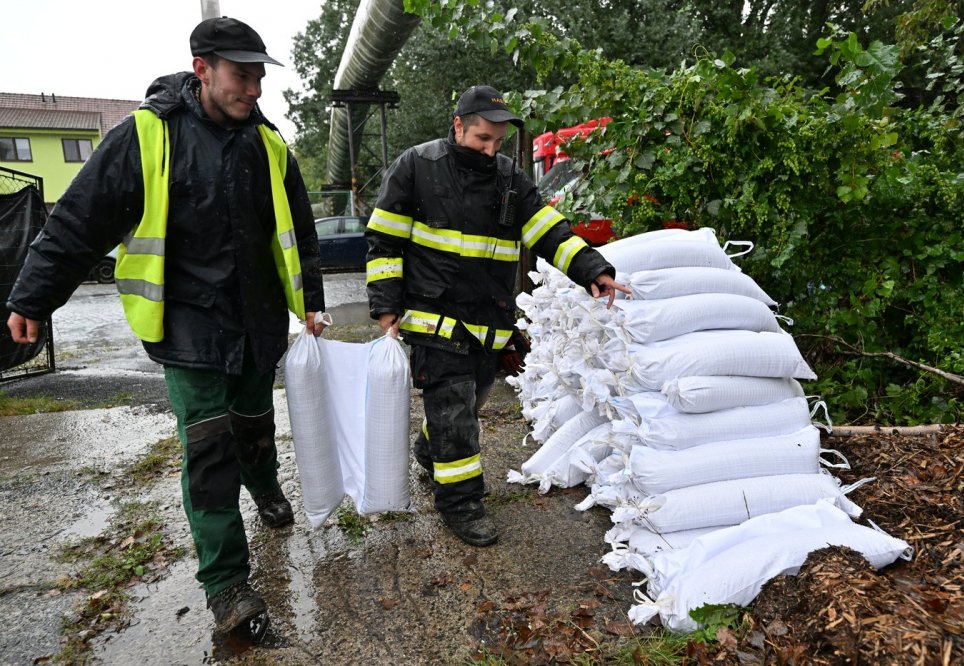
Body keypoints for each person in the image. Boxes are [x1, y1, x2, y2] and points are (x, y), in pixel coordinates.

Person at [5, 17, 326, 636]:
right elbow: (79, 220)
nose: (254, 89)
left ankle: (265, 490)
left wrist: (309, 301)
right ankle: (228, 585)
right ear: (201, 69)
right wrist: (34, 297)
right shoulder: (147, 135)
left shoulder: (270, 144)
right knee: (209, 450)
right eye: (242, 75)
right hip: (187, 326)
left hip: (256, 322)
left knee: (255, 426)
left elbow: (300, 234)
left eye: (260, 75)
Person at [366, 85, 628, 547]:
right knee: (456, 415)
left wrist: (593, 269)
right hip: (433, 317)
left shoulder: (509, 177)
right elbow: (384, 240)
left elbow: (548, 230)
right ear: (458, 127)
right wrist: (386, 306)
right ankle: (462, 505)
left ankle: (432, 450)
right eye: (482, 138)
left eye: (497, 141)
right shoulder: (416, 166)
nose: (490, 150)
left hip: (489, 319)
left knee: (467, 404)